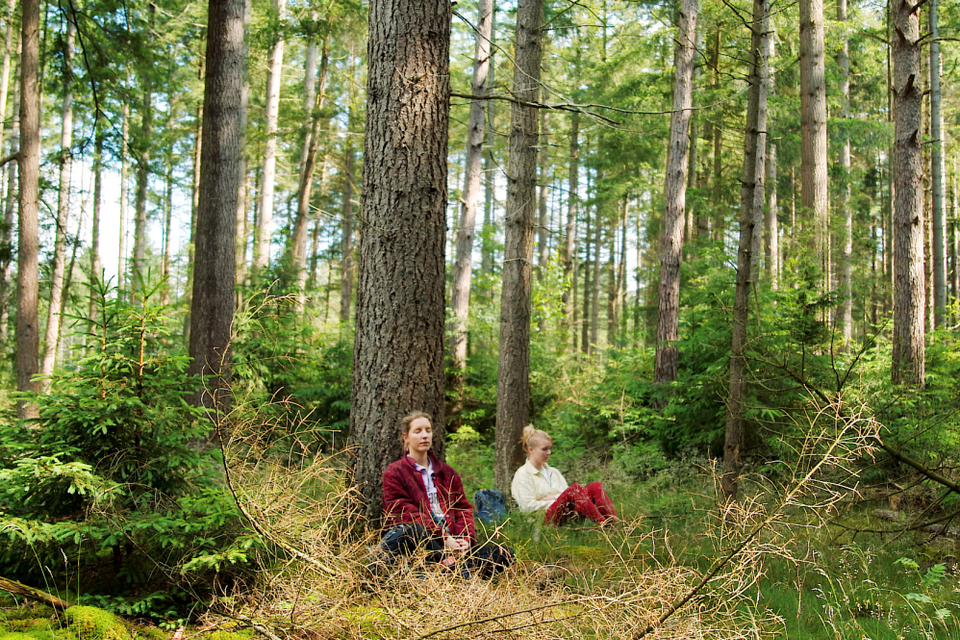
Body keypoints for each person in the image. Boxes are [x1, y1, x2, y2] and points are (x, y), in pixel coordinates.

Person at [376, 411, 513, 578]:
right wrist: (443, 537)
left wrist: (465, 539)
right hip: (426, 543)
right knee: (409, 531)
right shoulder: (396, 472)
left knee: (504, 553)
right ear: (406, 437)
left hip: (454, 545)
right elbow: (404, 514)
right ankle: (451, 571)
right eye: (418, 431)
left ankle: (445, 570)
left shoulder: (447, 473)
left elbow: (463, 509)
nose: (424, 435)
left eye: (428, 430)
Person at [511, 425, 618, 526]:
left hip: (566, 513)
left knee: (595, 486)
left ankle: (614, 522)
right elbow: (526, 507)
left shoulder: (554, 472)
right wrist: (554, 502)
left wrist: (555, 498)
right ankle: (603, 525)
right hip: (543, 519)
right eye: (544, 449)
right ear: (531, 449)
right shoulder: (523, 474)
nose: (549, 452)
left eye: (549, 448)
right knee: (575, 489)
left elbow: (569, 497)